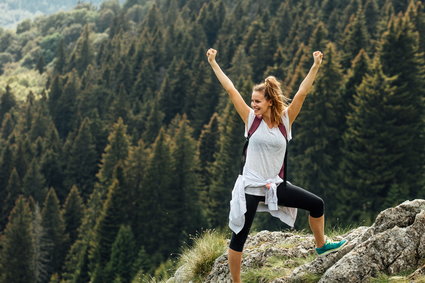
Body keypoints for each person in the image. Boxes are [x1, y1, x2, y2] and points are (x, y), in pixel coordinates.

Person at [206, 48, 347, 283]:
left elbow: (302, 93)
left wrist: (315, 67)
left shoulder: (285, 121)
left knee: (317, 204)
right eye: (252, 101)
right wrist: (213, 63)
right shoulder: (251, 119)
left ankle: (321, 245)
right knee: (239, 237)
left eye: (258, 101)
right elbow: (230, 90)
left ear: (270, 102)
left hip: (274, 185)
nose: (254, 104)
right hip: (251, 187)